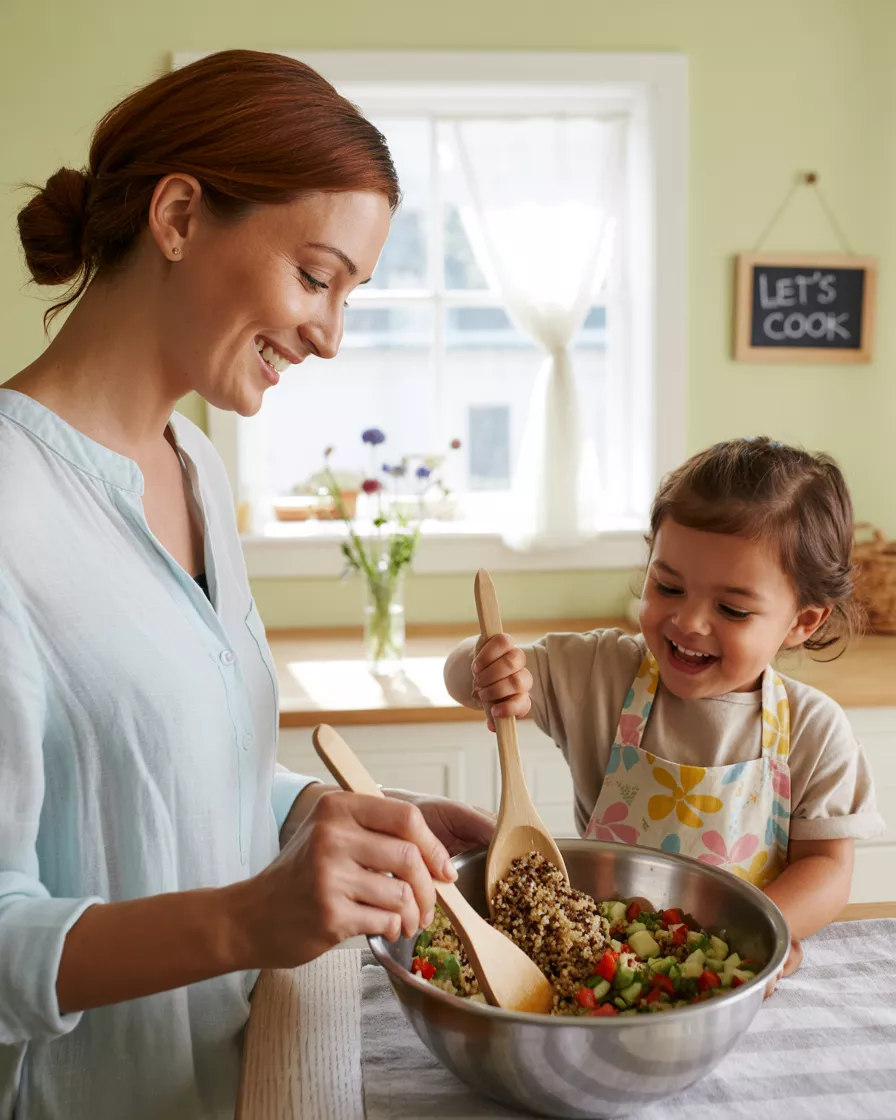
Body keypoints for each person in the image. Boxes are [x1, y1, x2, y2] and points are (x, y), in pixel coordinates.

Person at [0, 50, 494, 1120]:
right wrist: (245, 921)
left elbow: (175, 772)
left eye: (348, 294)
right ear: (179, 216)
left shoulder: (196, 465)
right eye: (315, 277)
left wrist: (331, 815)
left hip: (231, 1080)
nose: (329, 333)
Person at [446, 437, 885, 983]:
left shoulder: (814, 730)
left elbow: (827, 871)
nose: (689, 622)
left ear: (802, 622)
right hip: (597, 964)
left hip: (729, 974)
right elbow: (467, 679)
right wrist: (484, 667)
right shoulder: (601, 672)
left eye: (732, 608)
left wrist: (758, 939)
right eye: (668, 586)